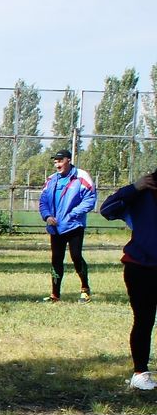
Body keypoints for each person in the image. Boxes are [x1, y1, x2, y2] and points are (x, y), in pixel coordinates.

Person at [99, 168, 157, 390]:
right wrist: (134, 187)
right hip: (140, 266)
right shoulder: (142, 193)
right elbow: (107, 209)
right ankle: (140, 372)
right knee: (144, 319)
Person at [38, 148, 96, 303]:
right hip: (56, 227)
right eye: (55, 161)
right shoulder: (51, 180)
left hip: (74, 225)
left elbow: (90, 199)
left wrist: (73, 214)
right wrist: (47, 216)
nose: (57, 164)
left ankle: (85, 289)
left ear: (68, 160)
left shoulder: (81, 177)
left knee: (76, 256)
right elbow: (43, 201)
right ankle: (55, 295)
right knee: (56, 259)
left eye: (60, 161)